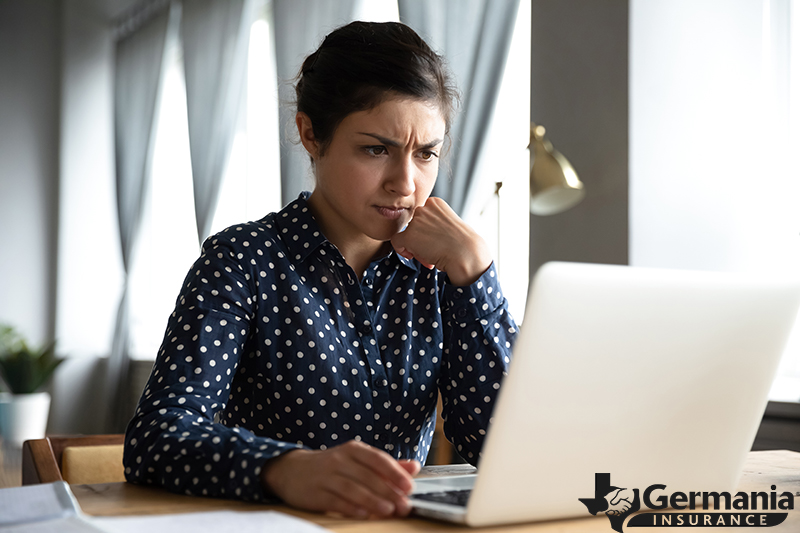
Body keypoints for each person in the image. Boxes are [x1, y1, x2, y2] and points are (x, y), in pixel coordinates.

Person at [123, 20, 517, 520]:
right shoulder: (243, 260)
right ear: (311, 134)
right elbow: (159, 435)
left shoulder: (441, 272)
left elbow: (504, 449)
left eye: (426, 154)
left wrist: (475, 273)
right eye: (377, 149)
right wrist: (285, 468)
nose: (406, 183)